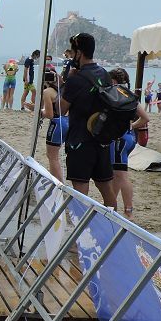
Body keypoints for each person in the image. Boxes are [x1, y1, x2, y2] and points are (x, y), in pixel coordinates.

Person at [59, 32, 117, 207]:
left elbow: (61, 109)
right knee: (107, 189)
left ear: (79, 53)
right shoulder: (105, 75)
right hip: (102, 139)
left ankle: (82, 231)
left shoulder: (75, 79)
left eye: (72, 51)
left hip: (80, 141)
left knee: (80, 193)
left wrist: (64, 84)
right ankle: (112, 228)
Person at [108, 68, 150, 218]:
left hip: (120, 139)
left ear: (114, 81)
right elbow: (145, 118)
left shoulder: (115, 95)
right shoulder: (130, 96)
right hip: (129, 137)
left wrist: (129, 126)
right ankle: (111, 206)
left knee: (121, 175)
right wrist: (131, 126)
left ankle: (128, 211)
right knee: (117, 174)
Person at [40, 69, 67, 181]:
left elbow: (50, 114)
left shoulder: (48, 92)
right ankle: (58, 181)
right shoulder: (64, 90)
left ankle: (57, 183)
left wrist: (39, 111)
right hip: (67, 121)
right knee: (55, 155)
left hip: (56, 123)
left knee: (52, 156)